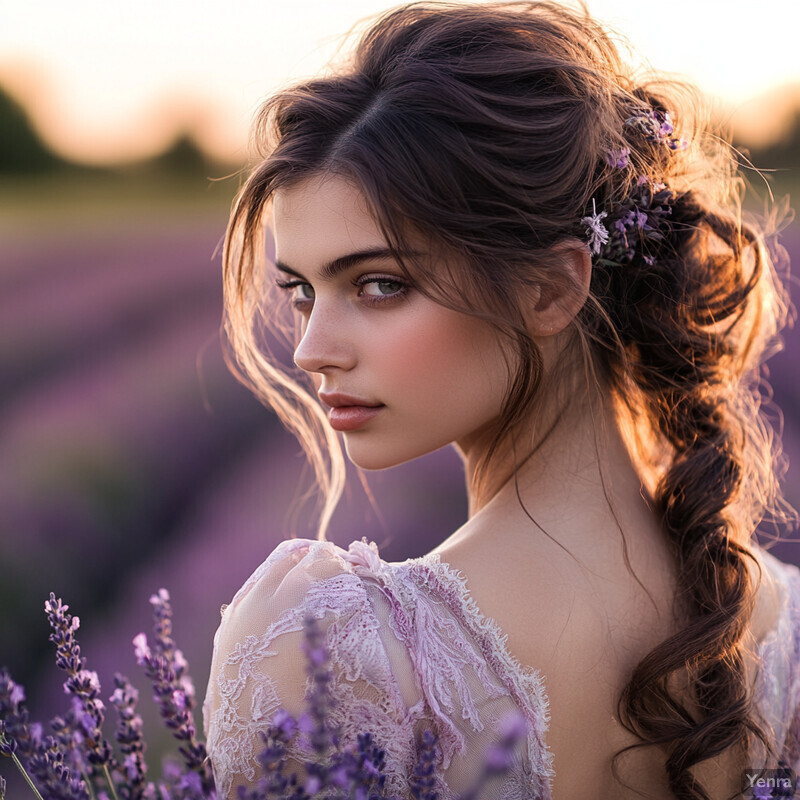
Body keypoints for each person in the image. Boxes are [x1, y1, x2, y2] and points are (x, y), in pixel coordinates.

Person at [203, 2, 800, 798]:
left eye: (379, 285)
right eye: (304, 293)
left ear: (550, 290)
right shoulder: (781, 625)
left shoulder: (324, 657)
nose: (313, 350)